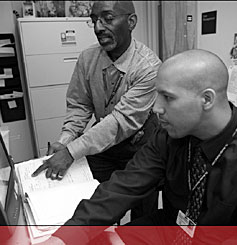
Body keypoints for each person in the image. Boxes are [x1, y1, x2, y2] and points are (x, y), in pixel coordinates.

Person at [48, 49, 237, 244]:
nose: (156, 108)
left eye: (167, 98)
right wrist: (64, 238)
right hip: (177, 229)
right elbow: (123, 186)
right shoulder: (171, 135)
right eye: (156, 95)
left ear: (206, 99)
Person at [32, 0, 161, 219]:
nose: (98, 27)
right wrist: (65, 140)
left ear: (131, 22)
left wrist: (71, 152)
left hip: (138, 146)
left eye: (108, 19)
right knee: (99, 205)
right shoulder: (87, 58)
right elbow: (80, 105)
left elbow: (121, 121)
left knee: (142, 216)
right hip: (103, 144)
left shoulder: (148, 67)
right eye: (94, 20)